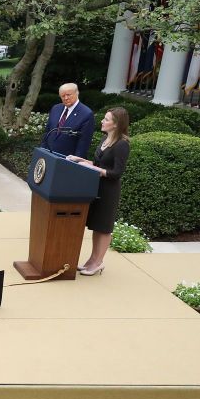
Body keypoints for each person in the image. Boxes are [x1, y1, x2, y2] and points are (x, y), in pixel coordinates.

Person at [66, 107, 130, 276]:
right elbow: (97, 163)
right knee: (96, 226)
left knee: (104, 227)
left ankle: (98, 262)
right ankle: (92, 259)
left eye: (107, 119)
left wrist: (93, 169)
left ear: (116, 125)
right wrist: (81, 160)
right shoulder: (104, 139)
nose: (102, 121)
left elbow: (116, 173)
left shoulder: (122, 144)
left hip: (109, 190)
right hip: (96, 187)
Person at [43, 82, 95, 158]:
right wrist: (43, 150)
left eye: (68, 95)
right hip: (48, 155)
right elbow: (47, 131)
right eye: (63, 96)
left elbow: (84, 143)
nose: (66, 98)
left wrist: (75, 161)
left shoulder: (86, 113)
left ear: (77, 93)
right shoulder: (56, 108)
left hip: (67, 159)